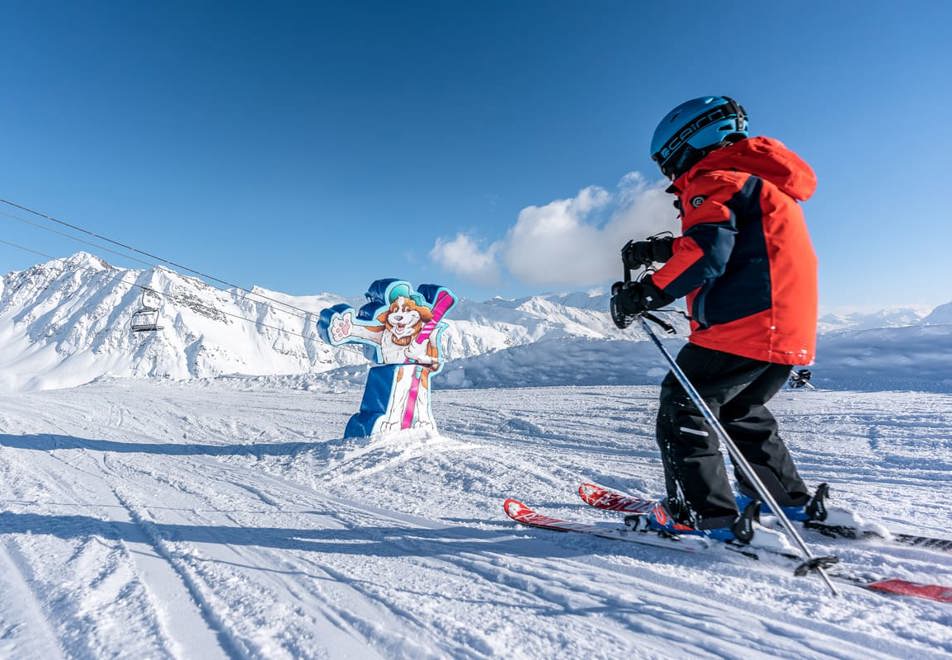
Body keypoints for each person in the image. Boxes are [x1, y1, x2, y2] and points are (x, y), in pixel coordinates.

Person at [611, 95, 822, 542]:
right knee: (741, 410)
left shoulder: (715, 177)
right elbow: (729, 238)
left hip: (742, 325)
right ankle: (783, 500)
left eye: (666, 162)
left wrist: (646, 293)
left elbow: (707, 252)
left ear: (684, 145)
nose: (668, 174)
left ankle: (700, 514)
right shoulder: (757, 180)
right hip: (784, 328)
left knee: (683, 405)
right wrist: (658, 251)